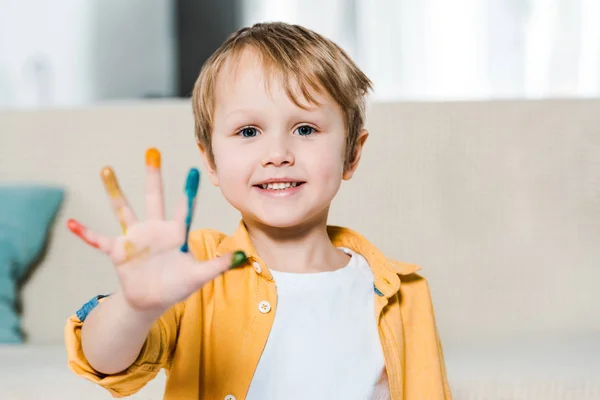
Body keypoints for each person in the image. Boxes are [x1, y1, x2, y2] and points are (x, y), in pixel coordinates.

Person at [64, 22, 452, 400]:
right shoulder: (193, 269)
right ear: (211, 161)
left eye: (305, 129)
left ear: (352, 153)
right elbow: (107, 362)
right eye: (249, 131)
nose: (278, 155)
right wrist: (136, 306)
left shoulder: (404, 294)